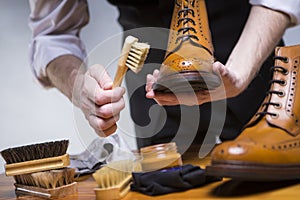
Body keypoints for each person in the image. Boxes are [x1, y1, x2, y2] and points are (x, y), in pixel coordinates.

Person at [28, 0, 300, 153]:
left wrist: (241, 73)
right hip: (155, 88)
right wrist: (81, 87)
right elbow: (53, 34)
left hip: (253, 60)